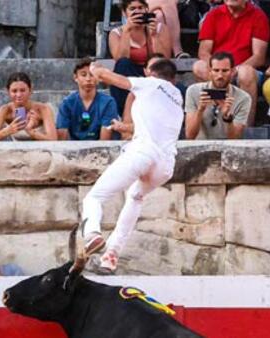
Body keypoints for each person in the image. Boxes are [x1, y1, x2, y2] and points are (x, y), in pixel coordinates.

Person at [81, 59, 183, 274]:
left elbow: (111, 78)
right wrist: (124, 127)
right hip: (165, 164)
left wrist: (94, 69)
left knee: (94, 197)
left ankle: (92, 235)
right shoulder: (176, 97)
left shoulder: (150, 84)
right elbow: (146, 123)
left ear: (151, 73)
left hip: (143, 152)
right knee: (135, 197)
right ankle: (111, 256)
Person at [192, 0, 270, 126]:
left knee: (246, 72)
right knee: (198, 66)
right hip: (218, 68)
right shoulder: (213, 15)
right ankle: (211, 123)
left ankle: (244, 126)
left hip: (244, 69)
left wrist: (234, 70)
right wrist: (218, 70)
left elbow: (259, 57)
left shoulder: (258, 16)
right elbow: (204, 52)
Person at [109, 0, 172, 115]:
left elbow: (164, 60)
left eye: (140, 8)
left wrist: (154, 36)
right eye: (132, 9)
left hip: (152, 72)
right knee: (123, 64)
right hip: (129, 75)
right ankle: (124, 114)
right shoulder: (116, 33)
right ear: (124, 13)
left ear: (146, 9)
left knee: (161, 69)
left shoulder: (160, 28)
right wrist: (127, 31)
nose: (137, 12)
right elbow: (120, 59)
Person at [113, 53, 187, 140]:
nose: (156, 72)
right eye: (152, 68)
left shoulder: (177, 92)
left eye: (160, 68)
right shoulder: (134, 94)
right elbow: (125, 134)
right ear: (145, 71)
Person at [185, 51, 250, 139]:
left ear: (233, 71)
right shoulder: (193, 91)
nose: (220, 75)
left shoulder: (243, 98)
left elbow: (235, 138)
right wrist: (200, 110)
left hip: (228, 149)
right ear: (210, 71)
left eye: (225, 71)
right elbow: (190, 136)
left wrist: (227, 118)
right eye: (216, 70)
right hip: (200, 148)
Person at [57, 58, 119, 140]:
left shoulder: (108, 102)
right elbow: (62, 136)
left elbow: (105, 140)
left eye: (92, 75)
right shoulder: (67, 103)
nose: (88, 79)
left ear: (98, 78)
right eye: (83, 75)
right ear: (76, 77)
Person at [0, 72, 57, 141]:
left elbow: (53, 139)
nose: (19, 95)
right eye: (14, 91)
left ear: (30, 90)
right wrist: (7, 130)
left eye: (22, 90)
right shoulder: (5, 110)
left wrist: (31, 132)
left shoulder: (42, 109)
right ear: (8, 92)